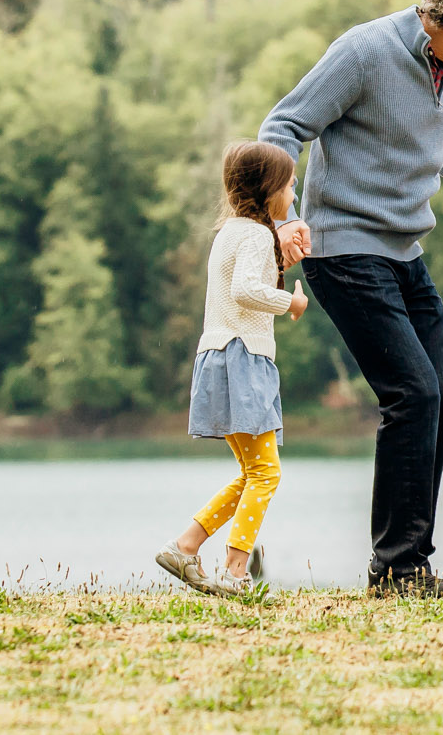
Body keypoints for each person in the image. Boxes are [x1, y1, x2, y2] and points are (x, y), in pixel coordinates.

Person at [259, 0, 443, 597]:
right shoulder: (364, 52)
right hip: (344, 250)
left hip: (404, 252)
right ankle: (398, 567)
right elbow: (282, 128)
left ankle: (407, 563)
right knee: (413, 394)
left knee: (442, 404)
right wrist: (284, 220)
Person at [156, 140, 308, 598]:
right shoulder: (257, 234)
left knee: (252, 471)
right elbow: (244, 289)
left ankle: (185, 547)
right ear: (268, 192)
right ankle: (235, 571)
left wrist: (279, 261)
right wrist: (291, 300)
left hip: (218, 356)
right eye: (289, 182)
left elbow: (240, 280)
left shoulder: (231, 232)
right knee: (267, 474)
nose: (294, 188)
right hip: (243, 358)